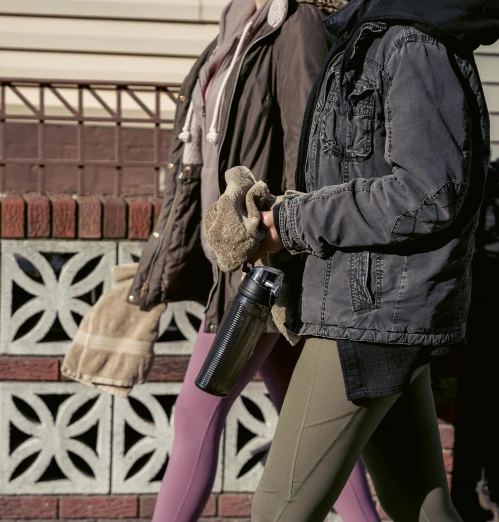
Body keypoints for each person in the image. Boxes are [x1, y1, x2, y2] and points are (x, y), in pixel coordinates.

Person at [247, 0, 499, 520]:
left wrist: (296, 220)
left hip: (369, 316)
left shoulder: (412, 44)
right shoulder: (373, 35)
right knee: (419, 507)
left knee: (278, 512)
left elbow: (427, 192)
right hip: (375, 309)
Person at [127, 1, 381, 521]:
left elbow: (311, 150)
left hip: (262, 266)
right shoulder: (240, 23)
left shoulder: (298, 23)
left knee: (195, 415)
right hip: (237, 262)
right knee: (310, 429)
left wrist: (279, 246)